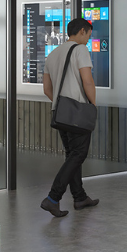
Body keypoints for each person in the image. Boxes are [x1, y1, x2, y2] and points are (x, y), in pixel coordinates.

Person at [40, 17, 99, 217]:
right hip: (78, 111)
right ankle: (52, 198)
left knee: (72, 155)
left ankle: (80, 197)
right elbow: (88, 81)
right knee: (78, 155)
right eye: (88, 35)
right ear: (82, 31)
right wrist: (92, 104)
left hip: (61, 113)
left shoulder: (53, 54)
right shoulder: (80, 50)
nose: (88, 40)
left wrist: (61, 103)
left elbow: (47, 89)